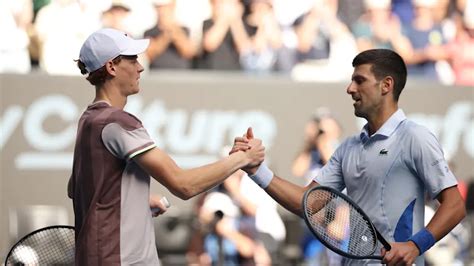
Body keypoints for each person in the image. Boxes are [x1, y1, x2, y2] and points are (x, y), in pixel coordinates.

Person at [231, 48, 466, 265]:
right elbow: (308, 203)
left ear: (386, 85)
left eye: (359, 80)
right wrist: (256, 170)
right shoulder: (348, 148)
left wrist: (415, 246)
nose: (350, 88)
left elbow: (455, 205)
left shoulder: (415, 137)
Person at [67, 28, 264, 265]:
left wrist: (135, 198)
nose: (140, 67)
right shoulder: (117, 122)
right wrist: (242, 160)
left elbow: (78, 188)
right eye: (132, 59)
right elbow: (184, 185)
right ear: (111, 67)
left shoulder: (88, 120)